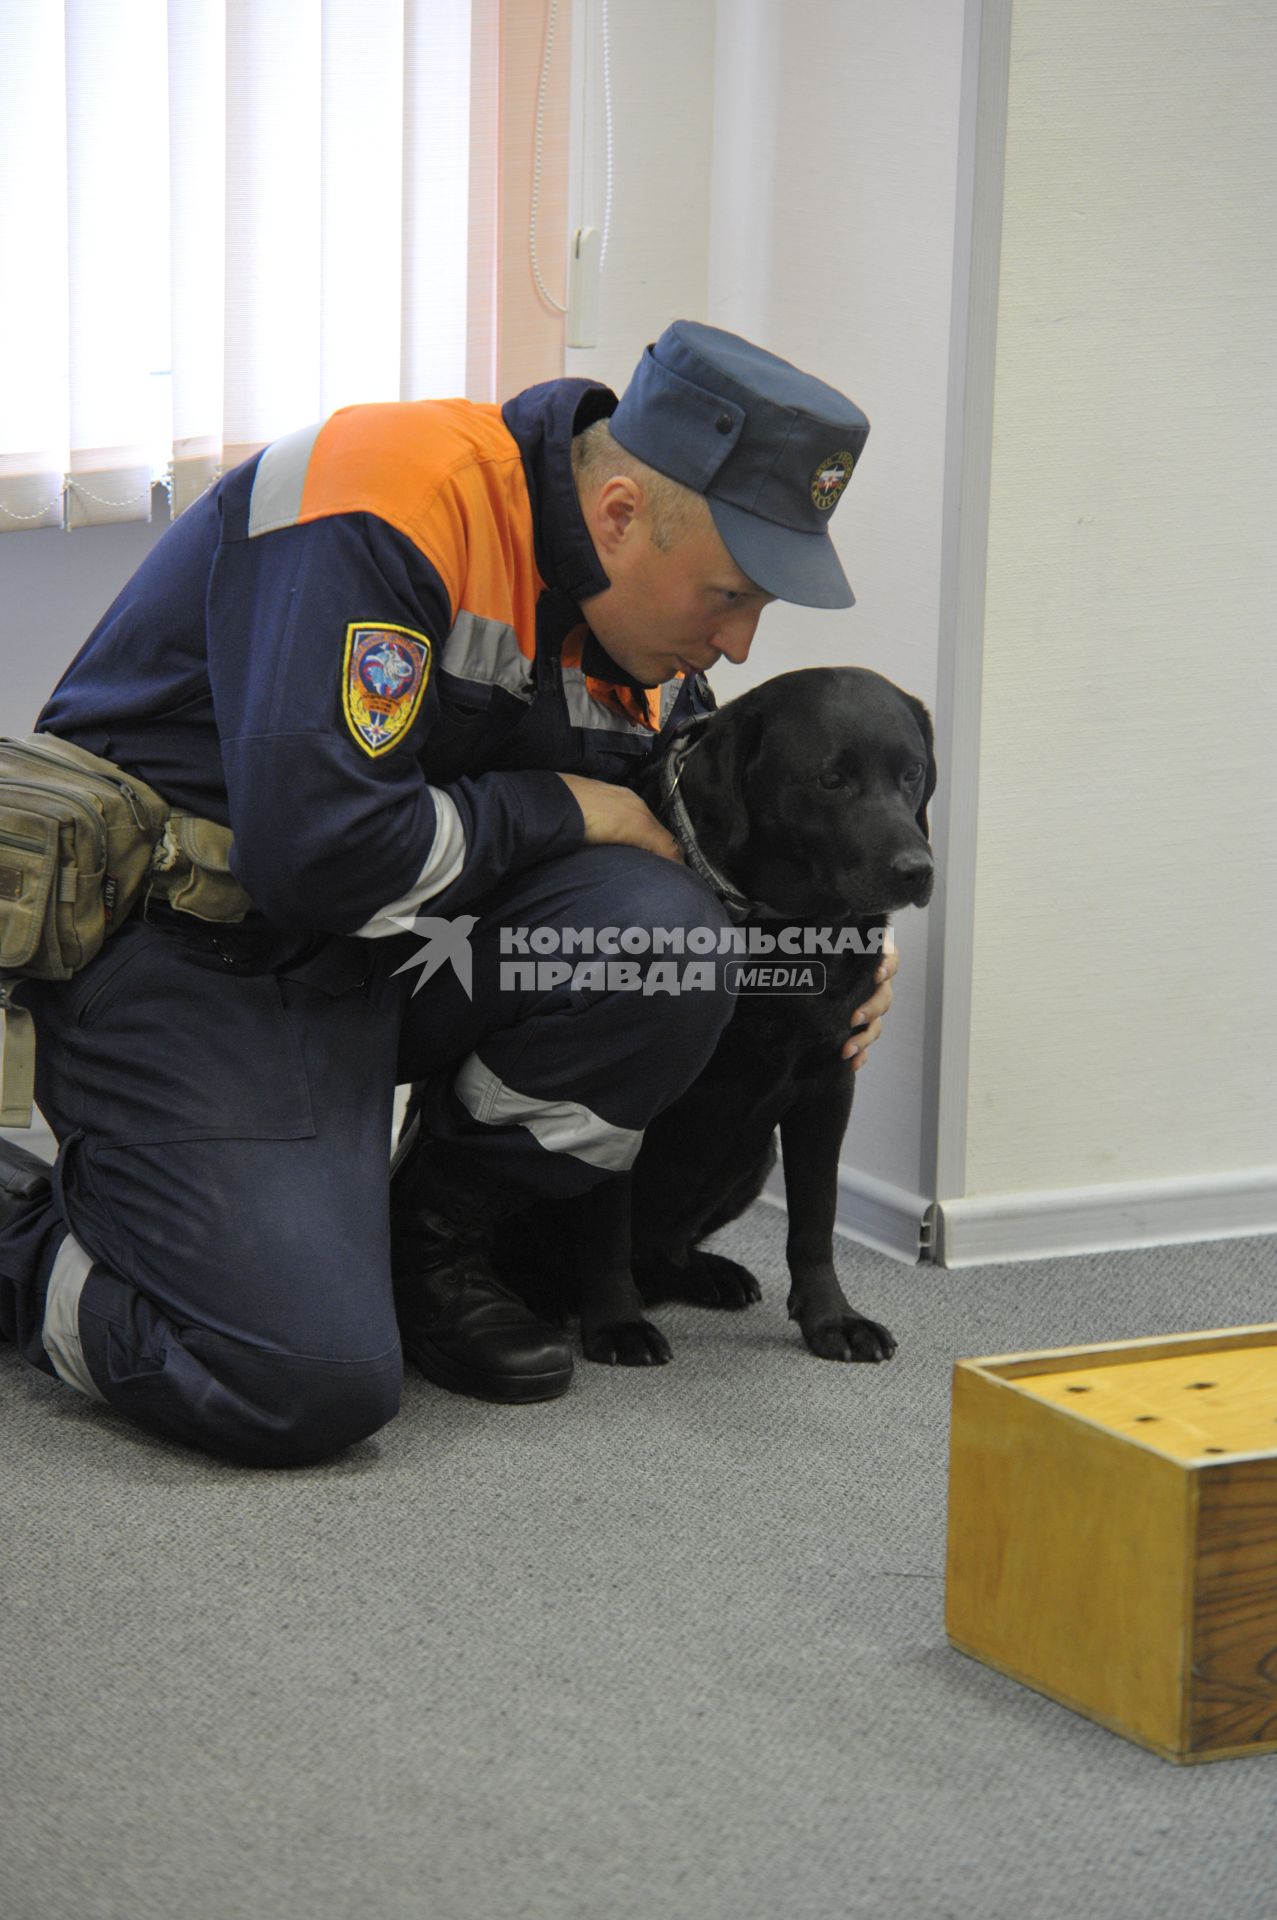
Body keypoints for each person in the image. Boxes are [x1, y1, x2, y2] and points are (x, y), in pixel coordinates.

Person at [0, 320, 897, 1468]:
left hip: (387, 956)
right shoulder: (385, 501)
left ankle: (432, 1241)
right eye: (726, 595)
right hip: (187, 957)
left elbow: (709, 821)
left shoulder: (635, 639)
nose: (734, 642)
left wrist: (845, 939)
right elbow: (316, 855)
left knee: (666, 942)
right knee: (293, 1382)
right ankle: (28, 1249)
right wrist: (560, 810)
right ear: (619, 513)